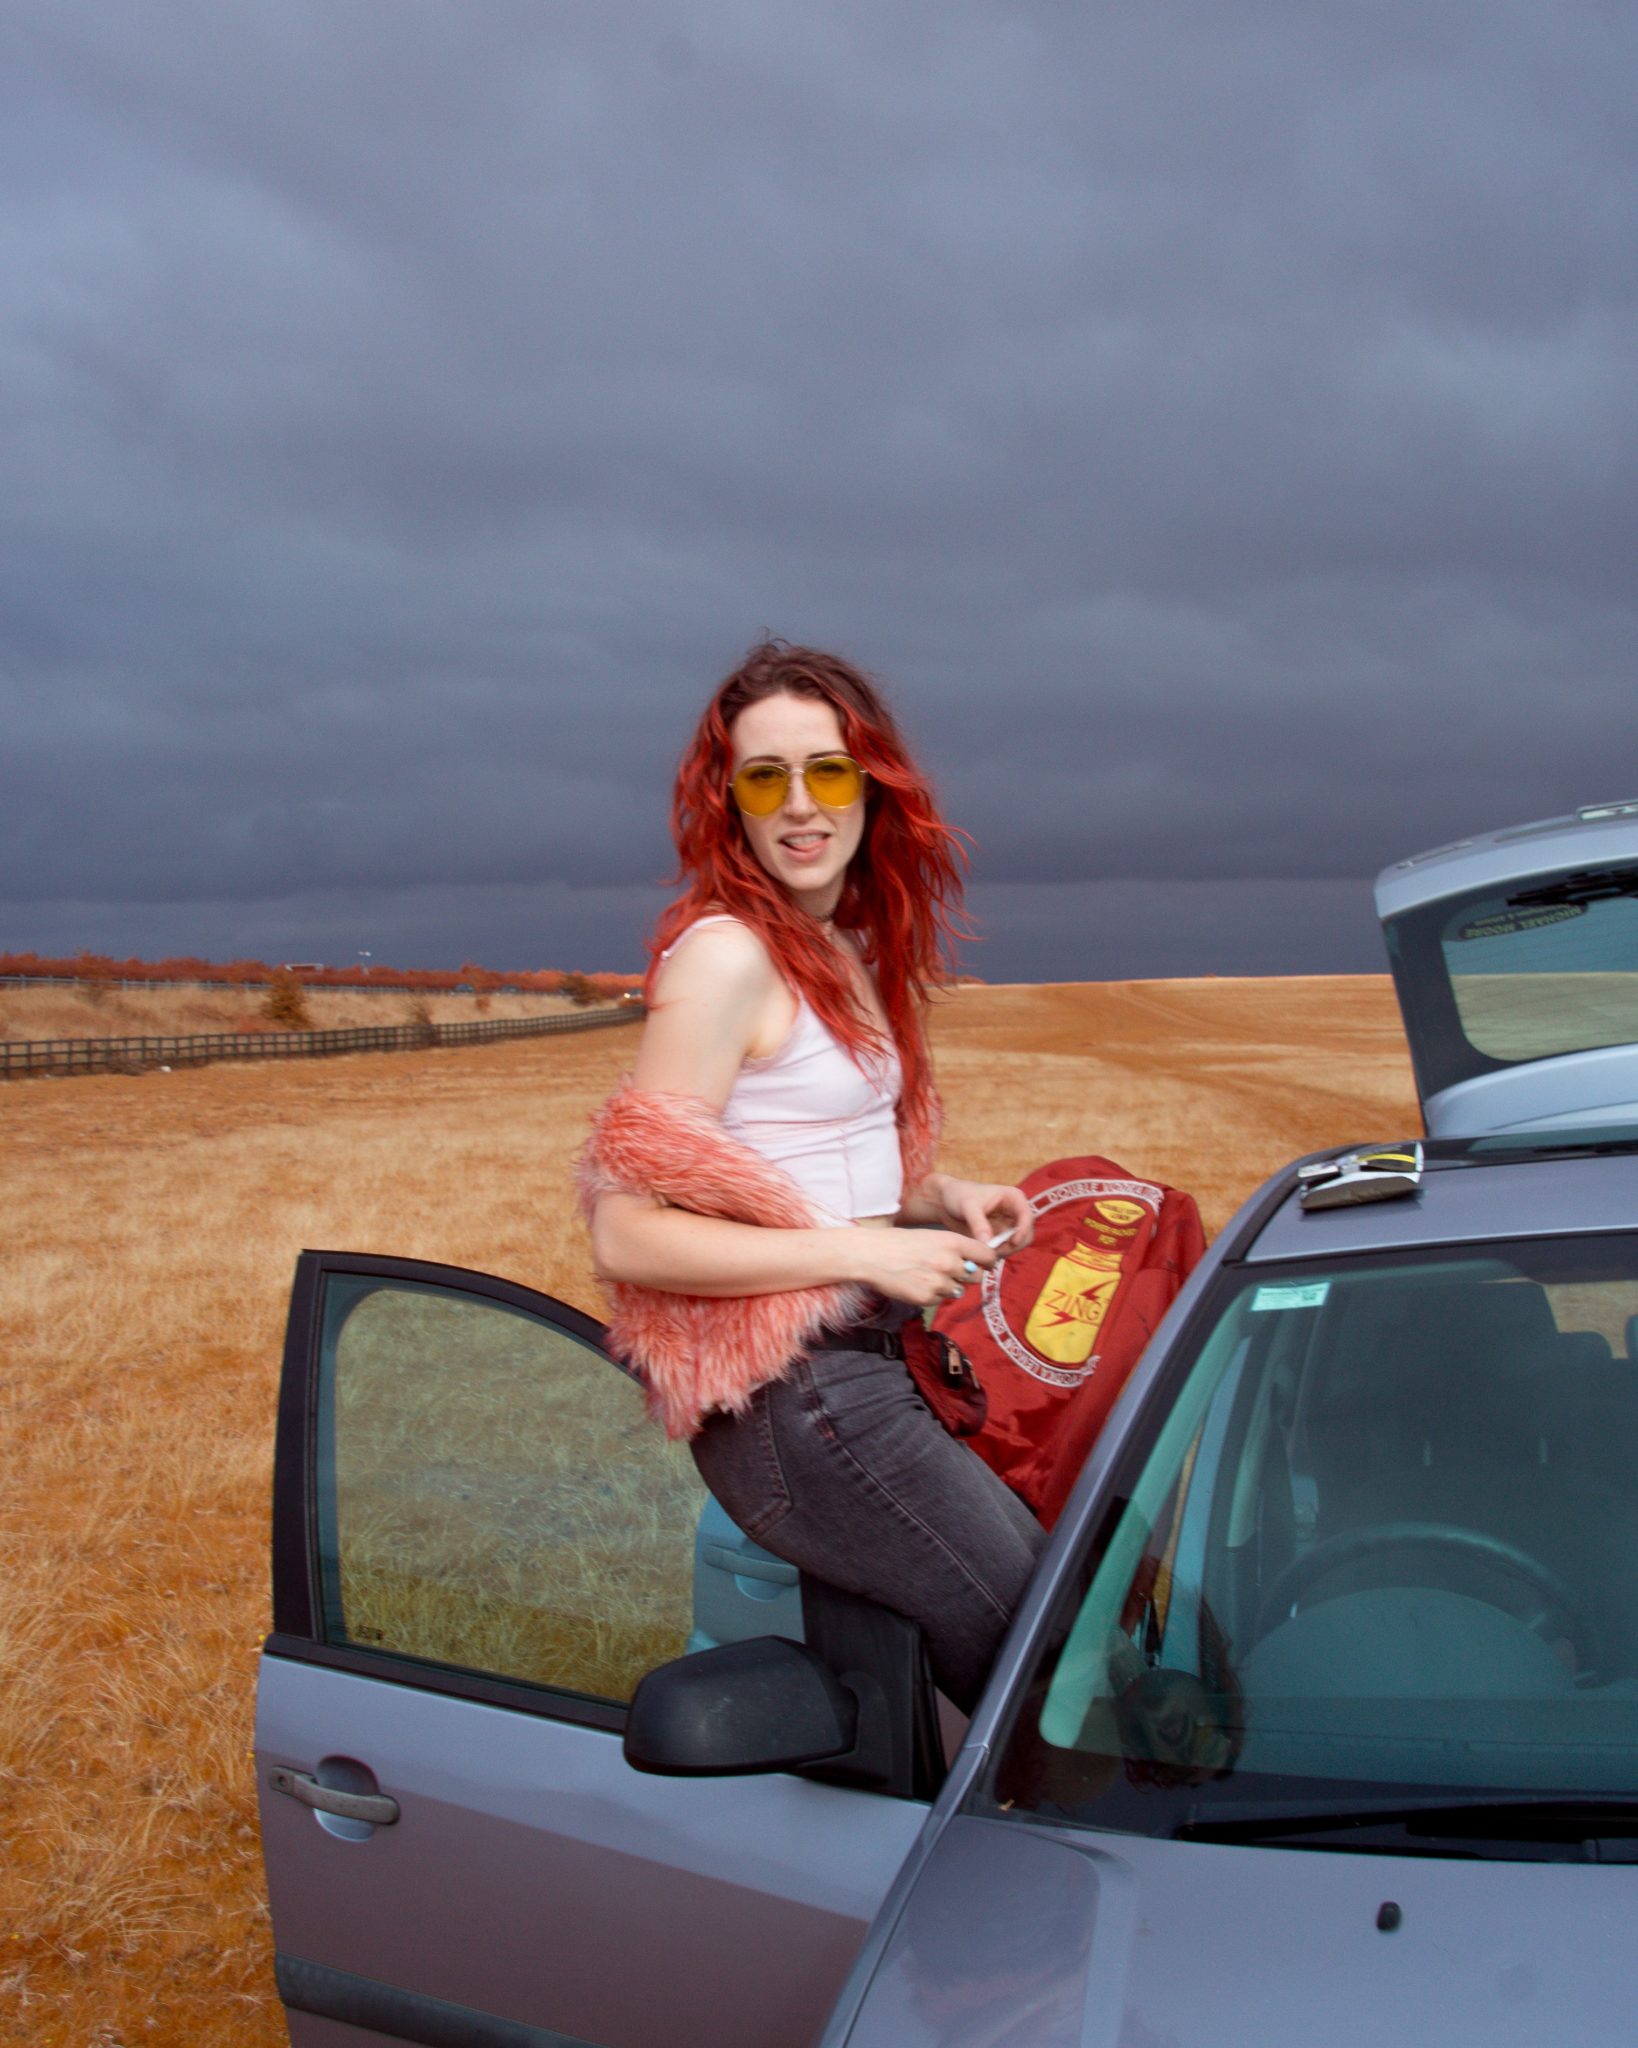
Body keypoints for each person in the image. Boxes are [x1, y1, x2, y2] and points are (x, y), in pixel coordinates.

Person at [582, 640, 1046, 1710]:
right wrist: (862, 1254)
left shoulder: (838, 947)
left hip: (869, 1364)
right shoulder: (726, 955)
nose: (800, 804)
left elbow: (809, 1165)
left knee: (1045, 1604)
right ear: (729, 802)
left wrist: (940, 1198)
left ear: (872, 786)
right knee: (1034, 1652)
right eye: (765, 777)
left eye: (827, 770)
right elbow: (625, 1230)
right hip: (797, 1398)